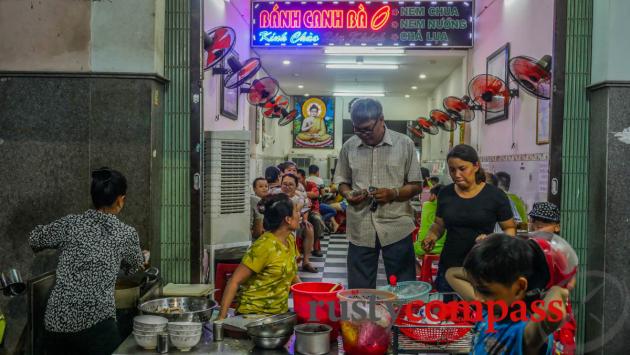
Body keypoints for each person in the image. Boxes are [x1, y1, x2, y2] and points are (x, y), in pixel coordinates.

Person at [29, 167, 144, 355]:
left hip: (56, 322)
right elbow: (135, 267)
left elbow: (35, 238)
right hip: (96, 323)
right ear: (120, 200)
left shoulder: (71, 223)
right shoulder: (126, 234)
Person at [334, 98, 422, 289]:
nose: (362, 134)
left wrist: (394, 193)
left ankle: (402, 319)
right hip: (361, 226)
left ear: (381, 119)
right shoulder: (350, 146)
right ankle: (363, 319)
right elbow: (341, 181)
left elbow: (416, 185)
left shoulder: (404, 144)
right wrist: (348, 194)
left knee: (403, 285)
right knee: (359, 287)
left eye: (367, 129)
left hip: (396, 225)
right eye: (357, 129)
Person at [446, 234, 567, 355]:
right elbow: (451, 274)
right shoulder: (488, 310)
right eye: (476, 288)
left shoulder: (523, 331)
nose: (477, 298)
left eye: (486, 291)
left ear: (519, 288)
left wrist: (556, 288)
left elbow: (553, 311)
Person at [422, 144, 516, 295]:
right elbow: (439, 224)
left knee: (478, 313)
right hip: (449, 266)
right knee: (448, 314)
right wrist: (431, 236)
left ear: (476, 166)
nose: (456, 174)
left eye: (462, 168)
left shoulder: (495, 196)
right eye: (452, 170)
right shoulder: (445, 194)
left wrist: (493, 240)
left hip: (482, 267)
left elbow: (510, 229)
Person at [217, 194, 301, 319]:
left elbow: (292, 274)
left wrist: (312, 294)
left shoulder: (290, 239)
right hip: (253, 315)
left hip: (278, 314)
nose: (299, 214)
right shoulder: (263, 246)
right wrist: (221, 320)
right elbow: (234, 281)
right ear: (288, 219)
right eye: (296, 211)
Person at [527, 201, 575, 354]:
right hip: (527, 310)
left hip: (555, 309)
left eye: (545, 222)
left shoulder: (561, 250)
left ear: (557, 227)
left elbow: (570, 284)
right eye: (534, 221)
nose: (538, 226)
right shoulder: (524, 248)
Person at [278, 174, 318, 273]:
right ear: (281, 184)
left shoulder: (299, 197)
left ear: (296, 186)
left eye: (290, 184)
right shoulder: (276, 196)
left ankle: (306, 262)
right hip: (280, 225)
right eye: (284, 184)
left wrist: (305, 220)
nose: (287, 187)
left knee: (309, 228)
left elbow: (305, 210)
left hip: (296, 222)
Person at [413, 184, 446, 256]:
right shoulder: (449, 206)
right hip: (442, 250)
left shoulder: (426, 205)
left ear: (433, 196)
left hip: (421, 249)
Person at [298, 169, 324, 257]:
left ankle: (316, 247)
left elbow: (315, 194)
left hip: (312, 211)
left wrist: (301, 193)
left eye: (299, 179)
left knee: (316, 220)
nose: (297, 181)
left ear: (304, 178)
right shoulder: (293, 185)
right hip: (299, 211)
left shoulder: (311, 184)